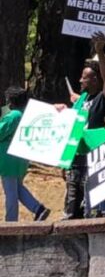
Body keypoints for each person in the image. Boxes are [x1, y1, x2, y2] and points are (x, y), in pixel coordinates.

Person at [64, 32, 105, 218]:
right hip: (75, 162)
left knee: (91, 210)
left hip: (95, 161)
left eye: (84, 77)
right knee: (71, 211)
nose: (80, 80)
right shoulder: (82, 100)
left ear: (95, 79)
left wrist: (100, 52)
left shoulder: (104, 99)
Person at [0, 87, 49, 222]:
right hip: (20, 159)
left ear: (11, 101)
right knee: (17, 188)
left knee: (10, 192)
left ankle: (11, 222)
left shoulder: (13, 116)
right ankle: (38, 209)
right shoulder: (25, 114)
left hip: (8, 160)